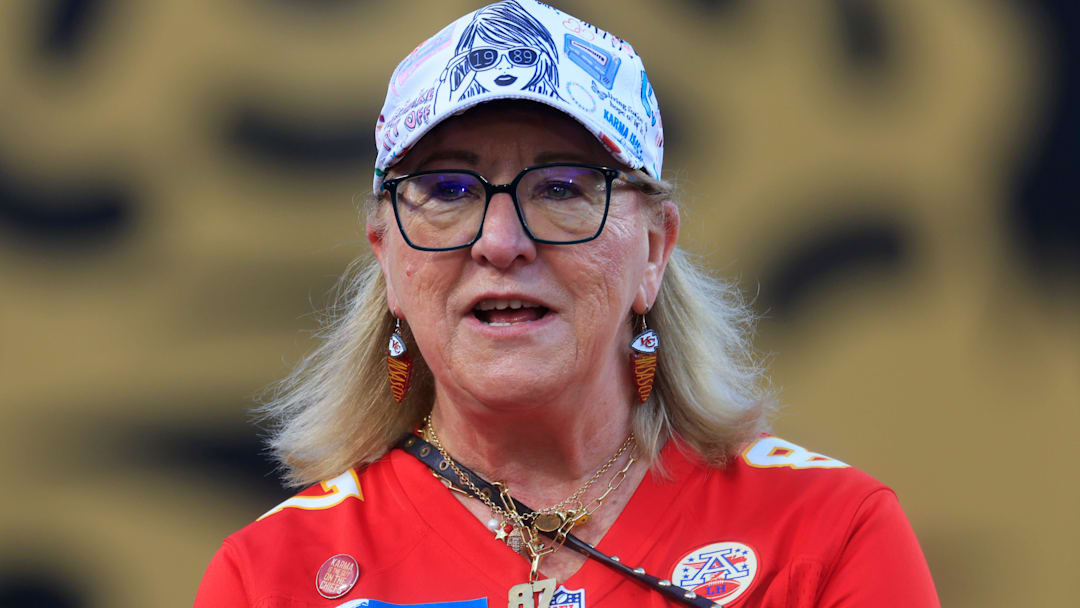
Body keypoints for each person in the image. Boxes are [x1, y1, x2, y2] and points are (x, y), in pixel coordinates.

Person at [195, 2, 940, 607]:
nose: (500, 240)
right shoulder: (271, 578)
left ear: (654, 249)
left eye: (560, 188)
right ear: (386, 255)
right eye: (448, 191)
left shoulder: (827, 535)